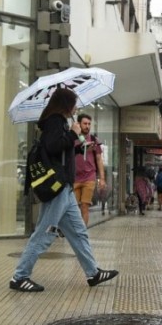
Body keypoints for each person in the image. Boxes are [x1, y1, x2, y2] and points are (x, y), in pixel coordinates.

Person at [10, 88, 118, 292]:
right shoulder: (54, 121)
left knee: (79, 232)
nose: (76, 107)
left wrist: (77, 146)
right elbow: (52, 146)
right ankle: (20, 276)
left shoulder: (60, 121)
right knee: (44, 233)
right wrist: (72, 134)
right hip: (58, 188)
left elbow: (59, 149)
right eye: (74, 103)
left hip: (65, 189)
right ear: (66, 104)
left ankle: (93, 273)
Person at [72, 113, 105, 225]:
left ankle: (83, 231)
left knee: (85, 205)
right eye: (85, 123)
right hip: (74, 177)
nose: (87, 126)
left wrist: (102, 179)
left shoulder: (94, 140)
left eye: (89, 124)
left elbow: (99, 159)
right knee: (73, 207)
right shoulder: (72, 138)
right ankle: (76, 229)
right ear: (79, 124)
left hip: (89, 177)